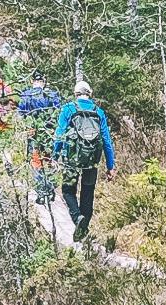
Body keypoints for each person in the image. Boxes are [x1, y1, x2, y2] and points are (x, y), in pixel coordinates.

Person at [56, 81, 115, 242]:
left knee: (68, 190)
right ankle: (84, 227)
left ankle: (77, 218)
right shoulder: (99, 112)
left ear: (76, 94)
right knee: (88, 192)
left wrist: (54, 156)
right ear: (90, 93)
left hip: (71, 158)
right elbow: (107, 141)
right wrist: (111, 166)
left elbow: (59, 134)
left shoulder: (68, 109)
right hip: (92, 160)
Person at [18, 75, 64, 202]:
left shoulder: (26, 95)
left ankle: (41, 192)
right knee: (48, 160)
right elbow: (58, 111)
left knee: (36, 162)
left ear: (33, 81)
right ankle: (50, 190)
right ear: (43, 82)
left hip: (33, 133)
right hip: (48, 132)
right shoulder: (51, 94)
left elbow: (21, 113)